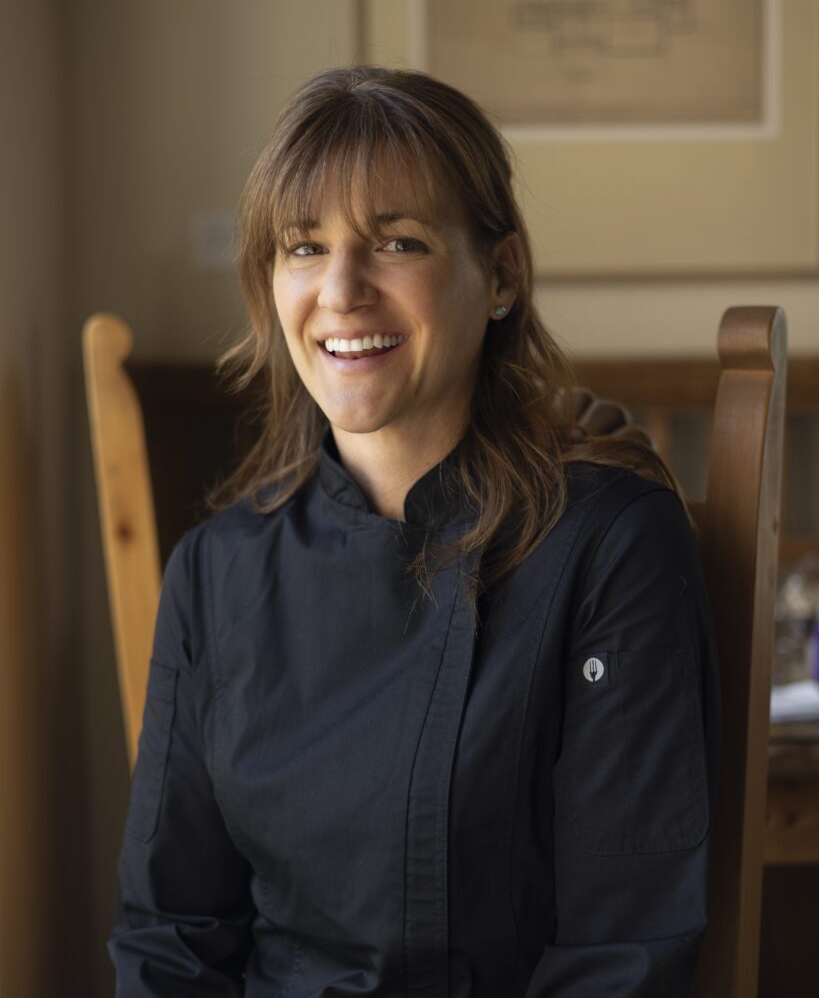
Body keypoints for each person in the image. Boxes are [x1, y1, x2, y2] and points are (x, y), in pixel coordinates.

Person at [109, 66, 719, 997]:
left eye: (397, 242)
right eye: (303, 248)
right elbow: (170, 935)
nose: (342, 291)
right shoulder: (216, 570)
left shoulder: (610, 546)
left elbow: (624, 954)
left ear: (502, 275)